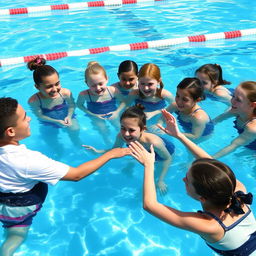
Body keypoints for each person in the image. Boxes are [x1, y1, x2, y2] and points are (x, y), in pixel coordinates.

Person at [0, 97, 130, 256]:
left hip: (4, 198)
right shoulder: (28, 160)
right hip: (19, 208)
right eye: (24, 117)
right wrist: (110, 154)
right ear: (11, 131)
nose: (29, 118)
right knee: (15, 236)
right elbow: (77, 175)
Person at [129, 109, 256, 256]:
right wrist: (179, 136)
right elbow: (212, 163)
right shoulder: (238, 190)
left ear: (202, 198)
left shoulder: (210, 225)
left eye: (187, 181)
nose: (183, 179)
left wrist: (149, 165)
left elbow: (150, 205)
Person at [83, 105, 174, 193]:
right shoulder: (121, 136)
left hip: (161, 153)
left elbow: (167, 158)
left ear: (143, 129)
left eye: (131, 130)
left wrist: (161, 180)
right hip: (141, 149)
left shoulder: (154, 143)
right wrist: (98, 151)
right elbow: (115, 150)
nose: (126, 134)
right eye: (123, 128)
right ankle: (130, 166)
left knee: (155, 174)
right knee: (132, 154)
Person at [27, 57, 81, 157]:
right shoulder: (34, 100)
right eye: (48, 86)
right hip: (48, 121)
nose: (55, 89)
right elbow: (40, 116)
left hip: (66, 116)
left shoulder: (65, 93)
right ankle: (58, 150)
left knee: (75, 129)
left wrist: (69, 116)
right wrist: (56, 121)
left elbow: (72, 105)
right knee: (49, 137)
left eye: (57, 84)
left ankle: (76, 142)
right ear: (37, 87)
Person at [76, 61, 127, 144]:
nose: (98, 88)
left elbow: (124, 102)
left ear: (107, 79)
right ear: (86, 83)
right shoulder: (84, 94)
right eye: (93, 85)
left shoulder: (113, 90)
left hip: (113, 113)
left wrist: (116, 113)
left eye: (100, 83)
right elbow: (79, 105)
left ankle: (124, 140)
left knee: (119, 127)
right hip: (96, 116)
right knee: (103, 130)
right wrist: (92, 115)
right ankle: (107, 141)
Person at [212, 81, 256, 158]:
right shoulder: (235, 110)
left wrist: (207, 159)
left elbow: (233, 146)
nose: (232, 101)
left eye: (238, 100)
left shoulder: (252, 128)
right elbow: (215, 121)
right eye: (233, 96)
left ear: (252, 105)